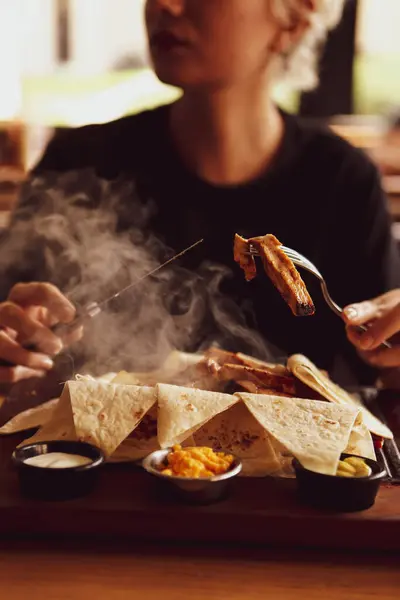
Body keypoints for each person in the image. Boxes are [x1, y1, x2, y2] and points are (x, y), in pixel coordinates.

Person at [1, 0, 400, 388]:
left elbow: (377, 372)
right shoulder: (77, 166)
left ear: (294, 19)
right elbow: (12, 328)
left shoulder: (343, 180)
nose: (163, 5)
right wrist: (13, 339)